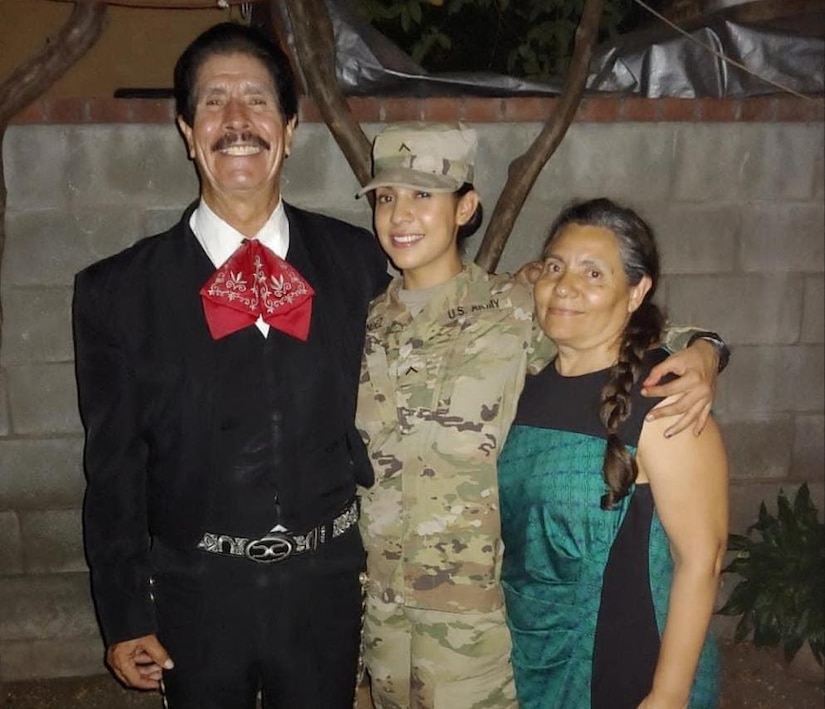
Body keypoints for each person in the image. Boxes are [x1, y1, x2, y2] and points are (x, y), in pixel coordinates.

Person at [354, 123, 728, 709]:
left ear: (466, 207)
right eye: (386, 196)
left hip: (478, 640)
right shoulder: (362, 325)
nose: (401, 213)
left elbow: (625, 337)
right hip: (389, 627)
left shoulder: (510, 313)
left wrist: (708, 350)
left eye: (424, 194)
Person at [72, 22, 389, 709]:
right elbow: (113, 467)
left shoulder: (356, 263)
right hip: (195, 590)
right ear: (187, 131)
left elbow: (481, 321)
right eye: (214, 102)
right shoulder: (118, 292)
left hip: (325, 586)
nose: (237, 120)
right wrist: (126, 612)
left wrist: (686, 346)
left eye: (257, 100)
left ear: (292, 127)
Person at [498, 198, 728, 708]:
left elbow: (702, 559)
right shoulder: (525, 386)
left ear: (636, 291)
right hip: (534, 653)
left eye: (593, 273)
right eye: (555, 267)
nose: (565, 286)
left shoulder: (663, 401)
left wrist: (668, 693)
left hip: (629, 663)